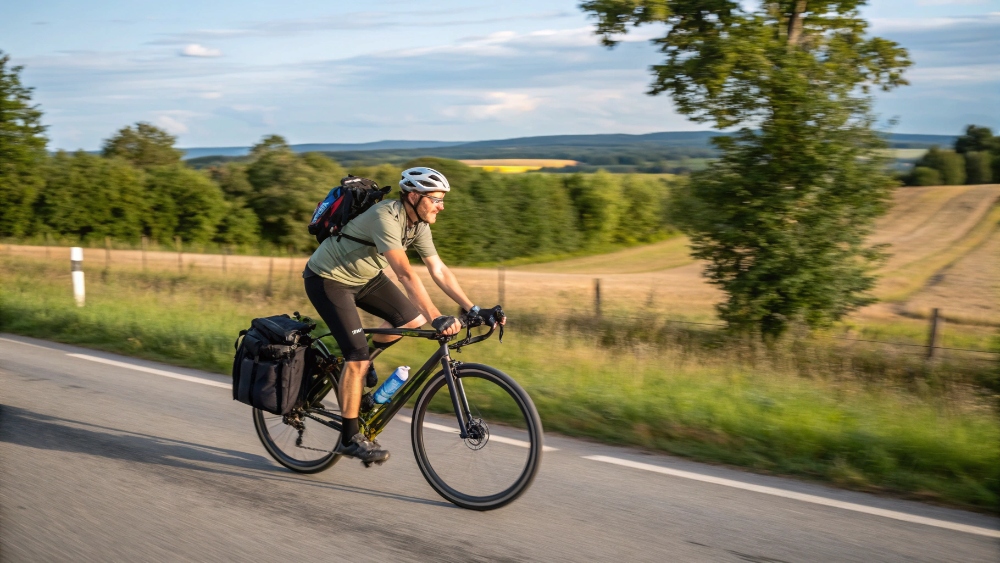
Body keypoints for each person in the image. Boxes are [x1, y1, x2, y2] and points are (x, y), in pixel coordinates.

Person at [302, 166, 502, 465]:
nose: (441, 205)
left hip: (365, 278)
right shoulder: (386, 217)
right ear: (413, 196)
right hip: (328, 279)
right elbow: (405, 274)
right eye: (436, 199)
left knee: (410, 321)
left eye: (442, 199)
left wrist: (473, 309)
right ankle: (349, 437)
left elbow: (439, 270)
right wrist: (437, 316)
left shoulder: (418, 225)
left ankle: (360, 363)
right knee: (355, 359)